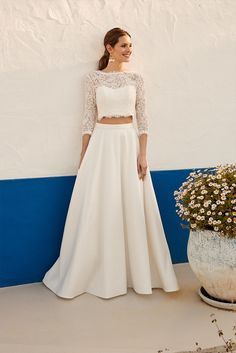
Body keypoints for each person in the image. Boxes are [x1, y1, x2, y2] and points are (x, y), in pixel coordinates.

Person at [42, 27, 180, 299]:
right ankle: (99, 272)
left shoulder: (136, 79)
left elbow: (143, 120)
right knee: (99, 204)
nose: (129, 50)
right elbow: (87, 118)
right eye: (124, 45)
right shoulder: (93, 79)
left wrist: (143, 155)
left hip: (128, 142)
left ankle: (136, 273)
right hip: (101, 144)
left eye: (131, 45)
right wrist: (84, 155)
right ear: (109, 47)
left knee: (130, 204)